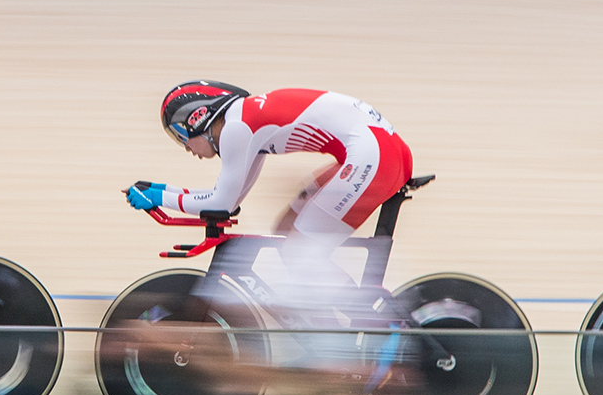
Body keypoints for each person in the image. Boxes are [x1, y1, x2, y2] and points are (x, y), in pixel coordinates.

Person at [129, 81, 413, 297]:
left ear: (197, 118)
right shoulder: (246, 123)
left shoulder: (237, 128)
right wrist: (162, 191)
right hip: (376, 150)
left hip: (373, 155)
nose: (185, 147)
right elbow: (231, 199)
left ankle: (363, 325)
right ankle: (338, 321)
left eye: (180, 136)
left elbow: (221, 203)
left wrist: (160, 195)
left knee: (299, 255)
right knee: (287, 227)